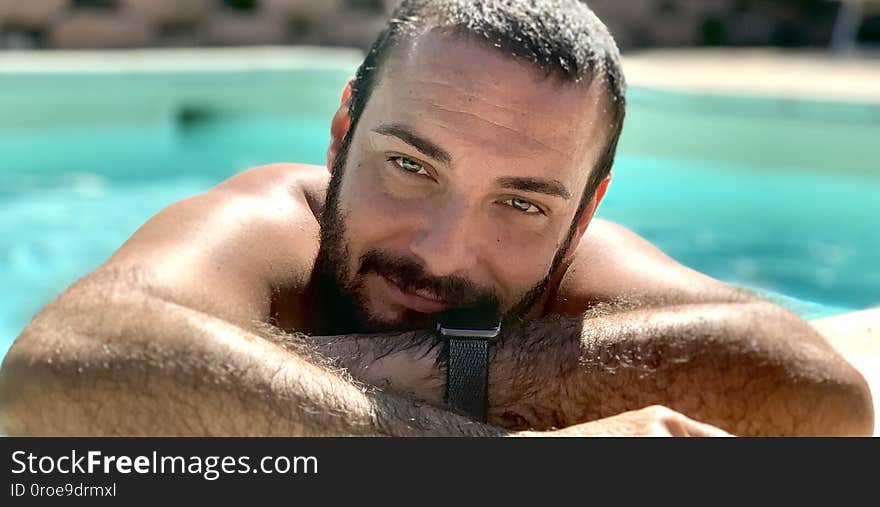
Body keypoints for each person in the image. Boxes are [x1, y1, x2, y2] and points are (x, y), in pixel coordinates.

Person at [0, 0, 872, 437]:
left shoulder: (576, 267)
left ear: (587, 210)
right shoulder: (272, 222)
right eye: (411, 166)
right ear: (343, 134)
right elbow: (54, 370)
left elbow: (819, 390)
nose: (442, 250)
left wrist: (390, 373)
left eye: (522, 202)